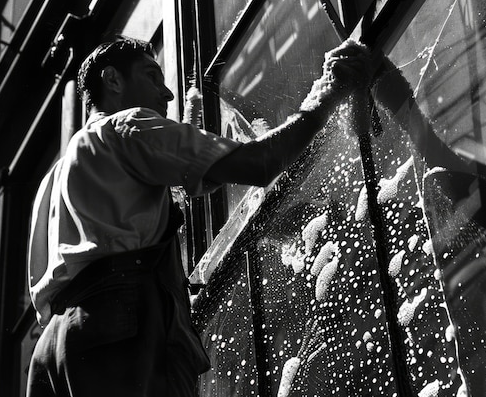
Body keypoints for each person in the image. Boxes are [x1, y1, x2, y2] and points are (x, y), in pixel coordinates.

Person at [25, 35, 374, 396]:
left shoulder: (53, 179)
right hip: (119, 328)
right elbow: (258, 164)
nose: (167, 95)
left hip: (54, 352)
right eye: (151, 76)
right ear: (112, 80)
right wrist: (328, 92)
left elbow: (137, 219)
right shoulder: (126, 127)